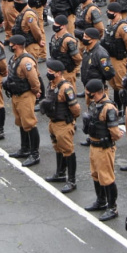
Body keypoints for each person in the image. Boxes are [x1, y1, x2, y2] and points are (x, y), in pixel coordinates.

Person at [83, 79, 123, 220]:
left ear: (98, 92)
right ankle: (101, 201)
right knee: (95, 174)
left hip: (104, 147)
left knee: (106, 177)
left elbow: (115, 131)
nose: (88, 96)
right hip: (94, 145)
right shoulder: (95, 104)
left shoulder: (108, 108)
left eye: (90, 94)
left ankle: (112, 207)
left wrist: (116, 136)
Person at [40, 60, 82, 193]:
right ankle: (60, 173)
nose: (48, 73)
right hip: (53, 122)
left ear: (58, 73)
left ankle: (72, 180)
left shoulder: (66, 88)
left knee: (68, 150)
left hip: (63, 123)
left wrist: (71, 120)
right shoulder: (52, 84)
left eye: (51, 72)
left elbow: (75, 108)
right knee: (58, 148)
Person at [4, 35, 43, 166]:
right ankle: (25, 148)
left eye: (11, 44)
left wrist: (36, 91)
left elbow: (34, 80)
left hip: (25, 95)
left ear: (17, 45)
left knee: (29, 123)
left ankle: (34, 153)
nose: (10, 45)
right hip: (16, 95)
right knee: (21, 122)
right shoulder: (15, 58)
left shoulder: (25, 61)